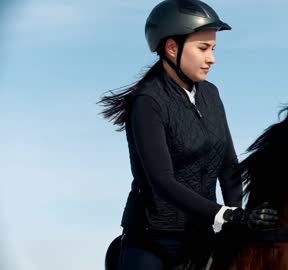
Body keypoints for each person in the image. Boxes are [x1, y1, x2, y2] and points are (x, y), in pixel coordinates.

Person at [98, 0, 278, 269]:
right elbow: (163, 182)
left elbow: (229, 168)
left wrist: (238, 218)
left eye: (213, 48)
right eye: (203, 48)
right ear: (172, 48)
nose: (212, 58)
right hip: (153, 241)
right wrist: (226, 214)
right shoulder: (148, 101)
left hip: (203, 236)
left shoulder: (211, 94)